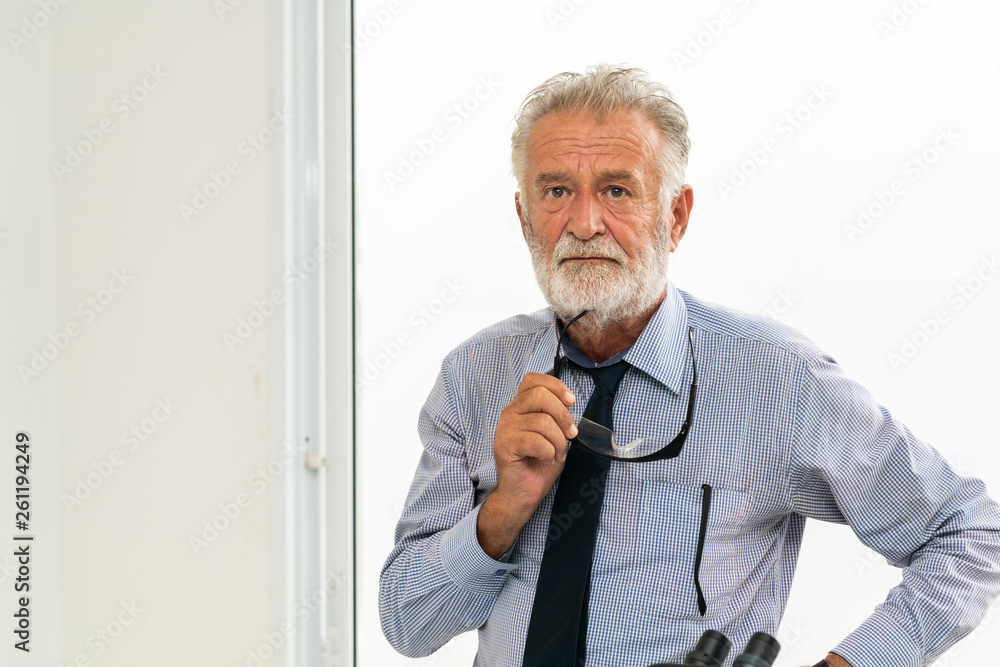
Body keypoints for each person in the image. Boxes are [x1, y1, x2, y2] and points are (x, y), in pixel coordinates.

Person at [378, 64, 1000, 667]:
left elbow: (969, 532)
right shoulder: (473, 377)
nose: (585, 223)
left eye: (617, 190)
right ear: (523, 217)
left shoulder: (776, 379)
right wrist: (503, 509)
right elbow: (407, 623)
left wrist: (854, 662)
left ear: (675, 216)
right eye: (557, 191)